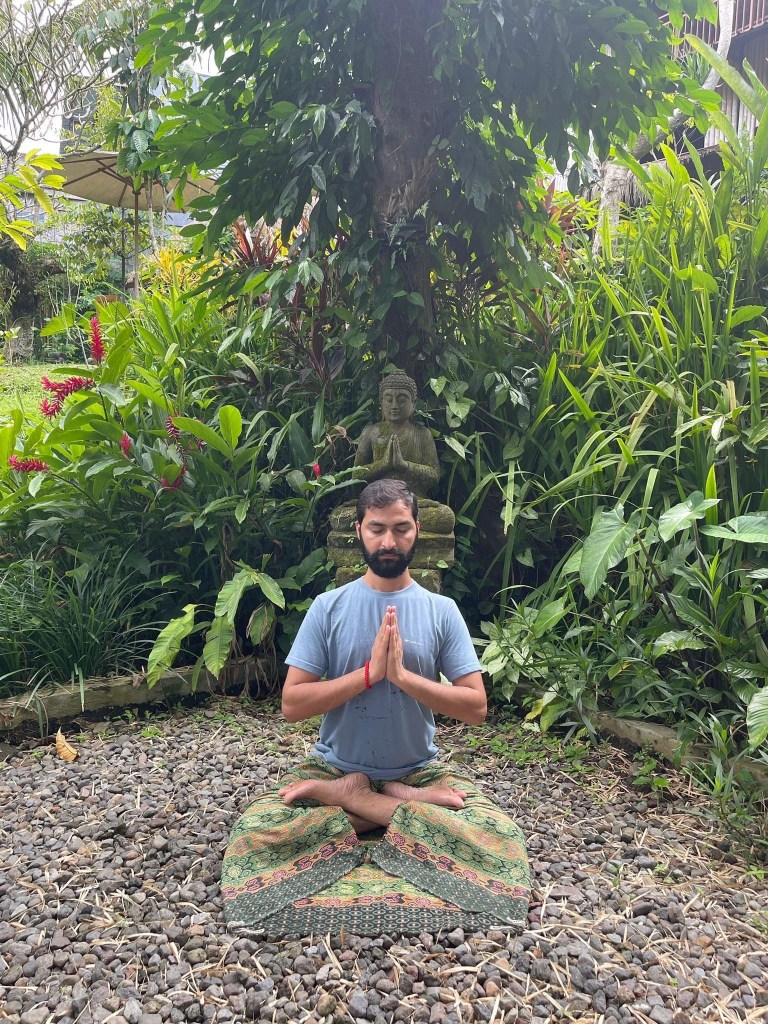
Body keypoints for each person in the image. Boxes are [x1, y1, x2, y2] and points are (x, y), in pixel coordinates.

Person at [221, 480, 530, 937]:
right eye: (378, 529)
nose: (389, 541)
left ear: (417, 530)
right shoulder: (328, 608)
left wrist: (403, 678)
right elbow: (292, 704)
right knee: (257, 830)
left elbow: (476, 707)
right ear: (360, 530)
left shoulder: (442, 611)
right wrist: (369, 675)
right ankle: (398, 809)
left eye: (401, 529)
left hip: (419, 772)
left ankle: (363, 804)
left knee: (496, 832)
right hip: (334, 767)